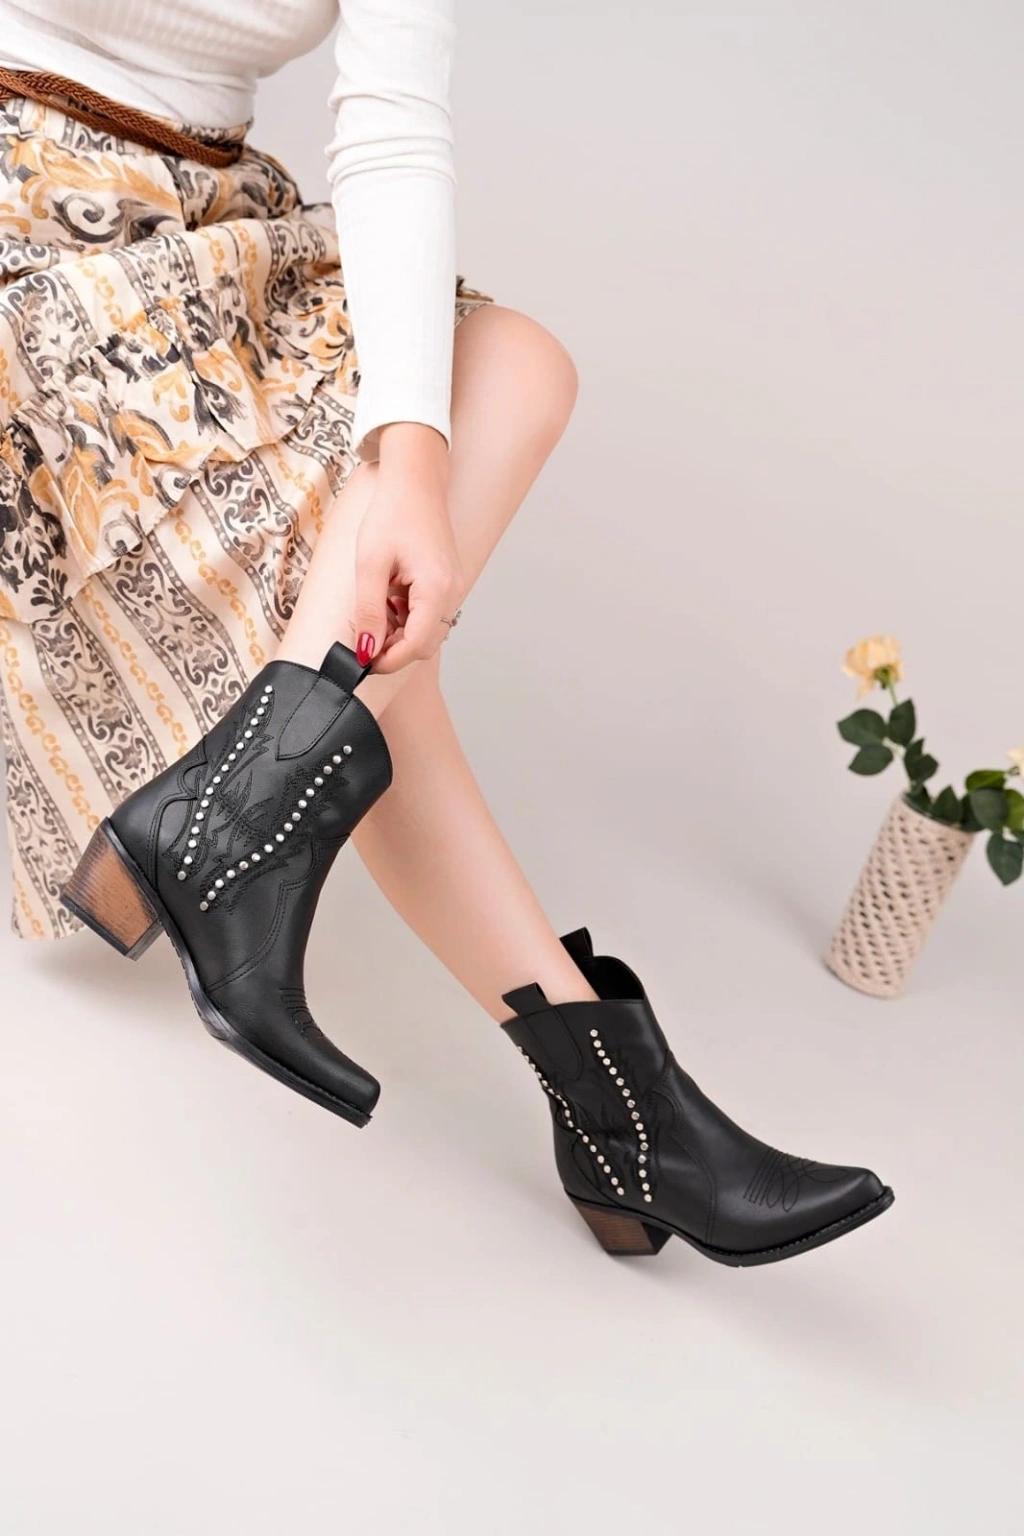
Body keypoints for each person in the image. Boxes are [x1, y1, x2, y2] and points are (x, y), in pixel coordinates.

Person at [0, 1, 893, 1268]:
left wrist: (410, 465)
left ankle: (225, 830)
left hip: (194, 220)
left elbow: (394, 123)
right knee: (365, 652)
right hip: (28, 214)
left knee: (498, 388)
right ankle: (625, 1120)